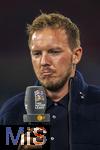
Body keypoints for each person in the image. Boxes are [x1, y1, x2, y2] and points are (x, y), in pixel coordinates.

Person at [0, 12, 100, 150]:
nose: (44, 62)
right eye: (37, 53)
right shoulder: (12, 112)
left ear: (76, 55)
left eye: (54, 52)